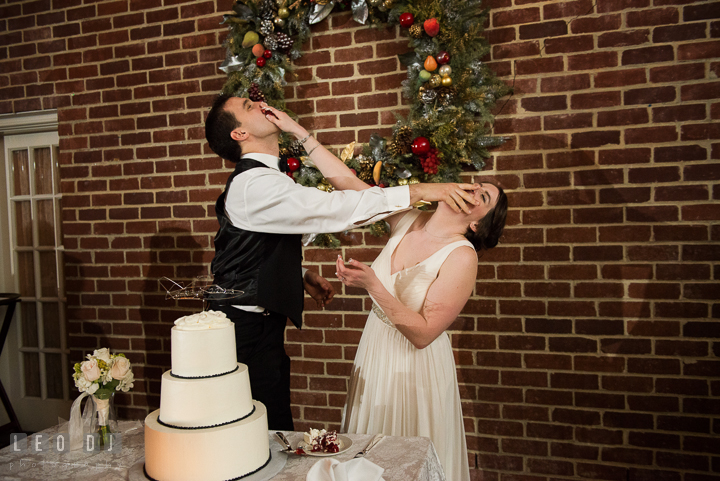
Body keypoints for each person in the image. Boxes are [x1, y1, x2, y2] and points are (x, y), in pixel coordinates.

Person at [203, 93, 483, 430]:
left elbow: (253, 245)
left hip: (261, 327)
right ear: (239, 134)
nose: (260, 105)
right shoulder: (253, 184)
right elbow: (342, 206)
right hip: (243, 329)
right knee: (254, 433)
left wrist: (297, 273)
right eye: (248, 107)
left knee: (271, 427)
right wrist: (421, 190)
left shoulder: (266, 178)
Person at [335, 181, 508, 481]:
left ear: (478, 223)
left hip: (416, 368)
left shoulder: (462, 256)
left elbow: (425, 334)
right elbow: (354, 187)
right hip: (375, 351)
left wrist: (373, 284)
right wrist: (300, 135)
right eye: (475, 184)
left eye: (482, 195)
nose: (471, 189)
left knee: (408, 458)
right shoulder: (408, 219)